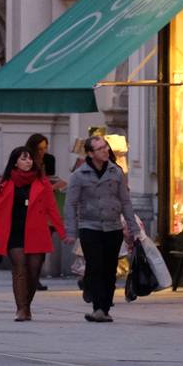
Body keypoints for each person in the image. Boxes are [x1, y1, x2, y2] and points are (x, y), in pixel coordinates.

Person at [0, 146, 65, 321]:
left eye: (29, 159)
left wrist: (62, 230)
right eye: (23, 158)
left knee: (34, 272)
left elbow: (52, 208)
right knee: (19, 270)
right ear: (15, 162)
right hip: (14, 231)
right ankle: (21, 309)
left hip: (36, 231)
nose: (27, 162)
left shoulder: (42, 182)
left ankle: (27, 305)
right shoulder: (6, 183)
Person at [65, 134, 139, 323]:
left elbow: (125, 201)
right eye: (100, 148)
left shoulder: (116, 172)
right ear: (90, 153)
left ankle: (105, 308)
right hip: (90, 226)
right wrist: (71, 231)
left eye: (106, 147)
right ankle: (98, 307)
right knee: (95, 266)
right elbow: (71, 204)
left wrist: (132, 228)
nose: (105, 151)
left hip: (113, 226)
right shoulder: (79, 175)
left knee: (109, 268)